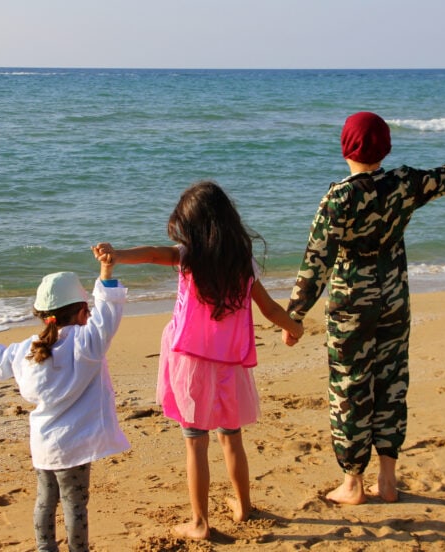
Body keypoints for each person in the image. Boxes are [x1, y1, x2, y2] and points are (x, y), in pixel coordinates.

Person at [283, 111, 445, 505]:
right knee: (391, 383)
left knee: (350, 387)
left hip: (352, 305)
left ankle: (352, 484)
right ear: (386, 146)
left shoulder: (338, 198)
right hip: (394, 297)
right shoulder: (404, 183)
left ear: (344, 148)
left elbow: (316, 261)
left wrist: (294, 315)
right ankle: (387, 480)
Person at [94, 180, 304, 540]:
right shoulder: (242, 261)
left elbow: (153, 253)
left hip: (190, 362)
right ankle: (244, 506)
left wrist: (117, 254)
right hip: (229, 364)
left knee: (196, 442)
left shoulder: (188, 257)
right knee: (232, 437)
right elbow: (269, 308)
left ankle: (200, 523)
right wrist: (295, 327)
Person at [0, 255, 129, 552]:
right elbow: (109, 314)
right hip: (75, 444)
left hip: (44, 444)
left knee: (45, 500)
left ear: (42, 314)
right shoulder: (86, 344)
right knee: (75, 503)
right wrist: (106, 270)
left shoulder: (29, 349)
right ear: (83, 312)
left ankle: (44, 548)